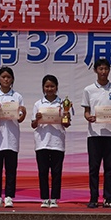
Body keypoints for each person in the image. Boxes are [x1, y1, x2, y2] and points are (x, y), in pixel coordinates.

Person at [81, 58, 111, 209]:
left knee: (109, 168)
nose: (103, 72)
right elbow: (86, 112)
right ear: (95, 70)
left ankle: (108, 198)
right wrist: (89, 117)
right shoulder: (88, 90)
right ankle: (93, 198)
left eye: (106, 69)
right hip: (94, 134)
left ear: (109, 70)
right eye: (100, 69)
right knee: (94, 168)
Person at [0, 66, 26, 208]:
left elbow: (20, 119)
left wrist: (23, 112)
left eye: (8, 77)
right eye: (3, 77)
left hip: (11, 137)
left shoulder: (17, 96)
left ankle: (8, 197)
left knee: (11, 169)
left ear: (12, 79)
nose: (6, 79)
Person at [31, 75, 70, 209]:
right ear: (43, 88)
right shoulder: (38, 104)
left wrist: (65, 117)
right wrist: (37, 119)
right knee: (43, 172)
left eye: (52, 86)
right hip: (42, 142)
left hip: (57, 142)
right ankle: (44, 198)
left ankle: (54, 198)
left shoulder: (63, 103)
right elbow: (33, 124)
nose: (49, 89)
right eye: (47, 86)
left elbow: (67, 124)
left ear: (56, 87)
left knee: (56, 172)